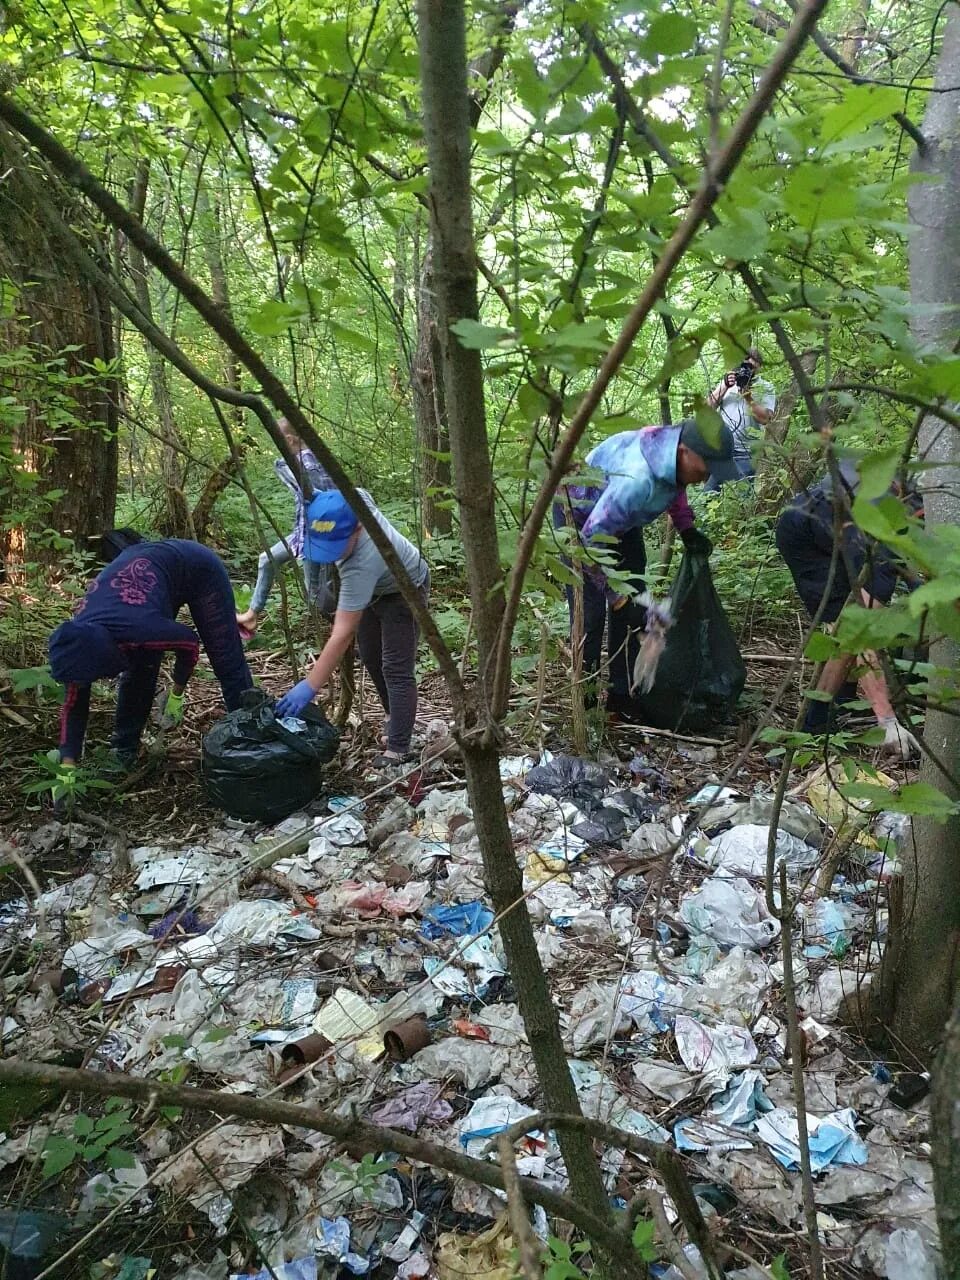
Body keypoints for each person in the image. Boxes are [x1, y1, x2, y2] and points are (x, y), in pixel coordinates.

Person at [555, 419, 738, 721]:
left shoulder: (673, 457)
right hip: (580, 521)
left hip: (622, 522)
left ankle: (622, 694)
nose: (706, 476)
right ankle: (584, 703)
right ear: (684, 452)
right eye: (705, 468)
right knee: (591, 614)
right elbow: (588, 543)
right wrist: (618, 598)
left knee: (636, 602)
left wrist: (686, 527)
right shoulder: (637, 481)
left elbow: (675, 486)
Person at [50, 533, 254, 767]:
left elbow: (188, 643)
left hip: (196, 567)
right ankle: (124, 750)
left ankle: (250, 733)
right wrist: (67, 769)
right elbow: (74, 704)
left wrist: (177, 693)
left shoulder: (140, 630)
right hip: (150, 587)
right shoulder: (75, 644)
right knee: (141, 668)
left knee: (226, 658)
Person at [775, 462, 921, 759]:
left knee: (847, 625)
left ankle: (835, 705)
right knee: (847, 626)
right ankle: (814, 722)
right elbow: (861, 631)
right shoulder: (880, 538)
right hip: (806, 536)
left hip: (829, 521)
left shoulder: (903, 488)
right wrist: (887, 719)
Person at [276, 490, 429, 768]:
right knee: (371, 656)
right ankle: (394, 717)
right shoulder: (353, 499)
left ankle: (399, 746)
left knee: (395, 667)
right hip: (375, 591)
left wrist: (310, 686)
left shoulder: (361, 562)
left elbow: (342, 633)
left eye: (337, 544)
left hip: (404, 589)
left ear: (358, 528)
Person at [236, 417, 336, 635]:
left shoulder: (307, 464)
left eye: (279, 442)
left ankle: (349, 627)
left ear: (289, 440)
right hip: (302, 534)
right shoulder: (309, 459)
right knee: (267, 559)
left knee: (316, 593)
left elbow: (322, 500)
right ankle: (252, 614)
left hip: (318, 536)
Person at [705, 347, 776, 489]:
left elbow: (766, 419)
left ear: (759, 367)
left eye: (752, 367)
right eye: (745, 366)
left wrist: (748, 397)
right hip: (723, 451)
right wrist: (724, 385)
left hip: (747, 454)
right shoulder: (729, 384)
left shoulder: (766, 387)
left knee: (742, 498)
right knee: (709, 494)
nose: (748, 370)